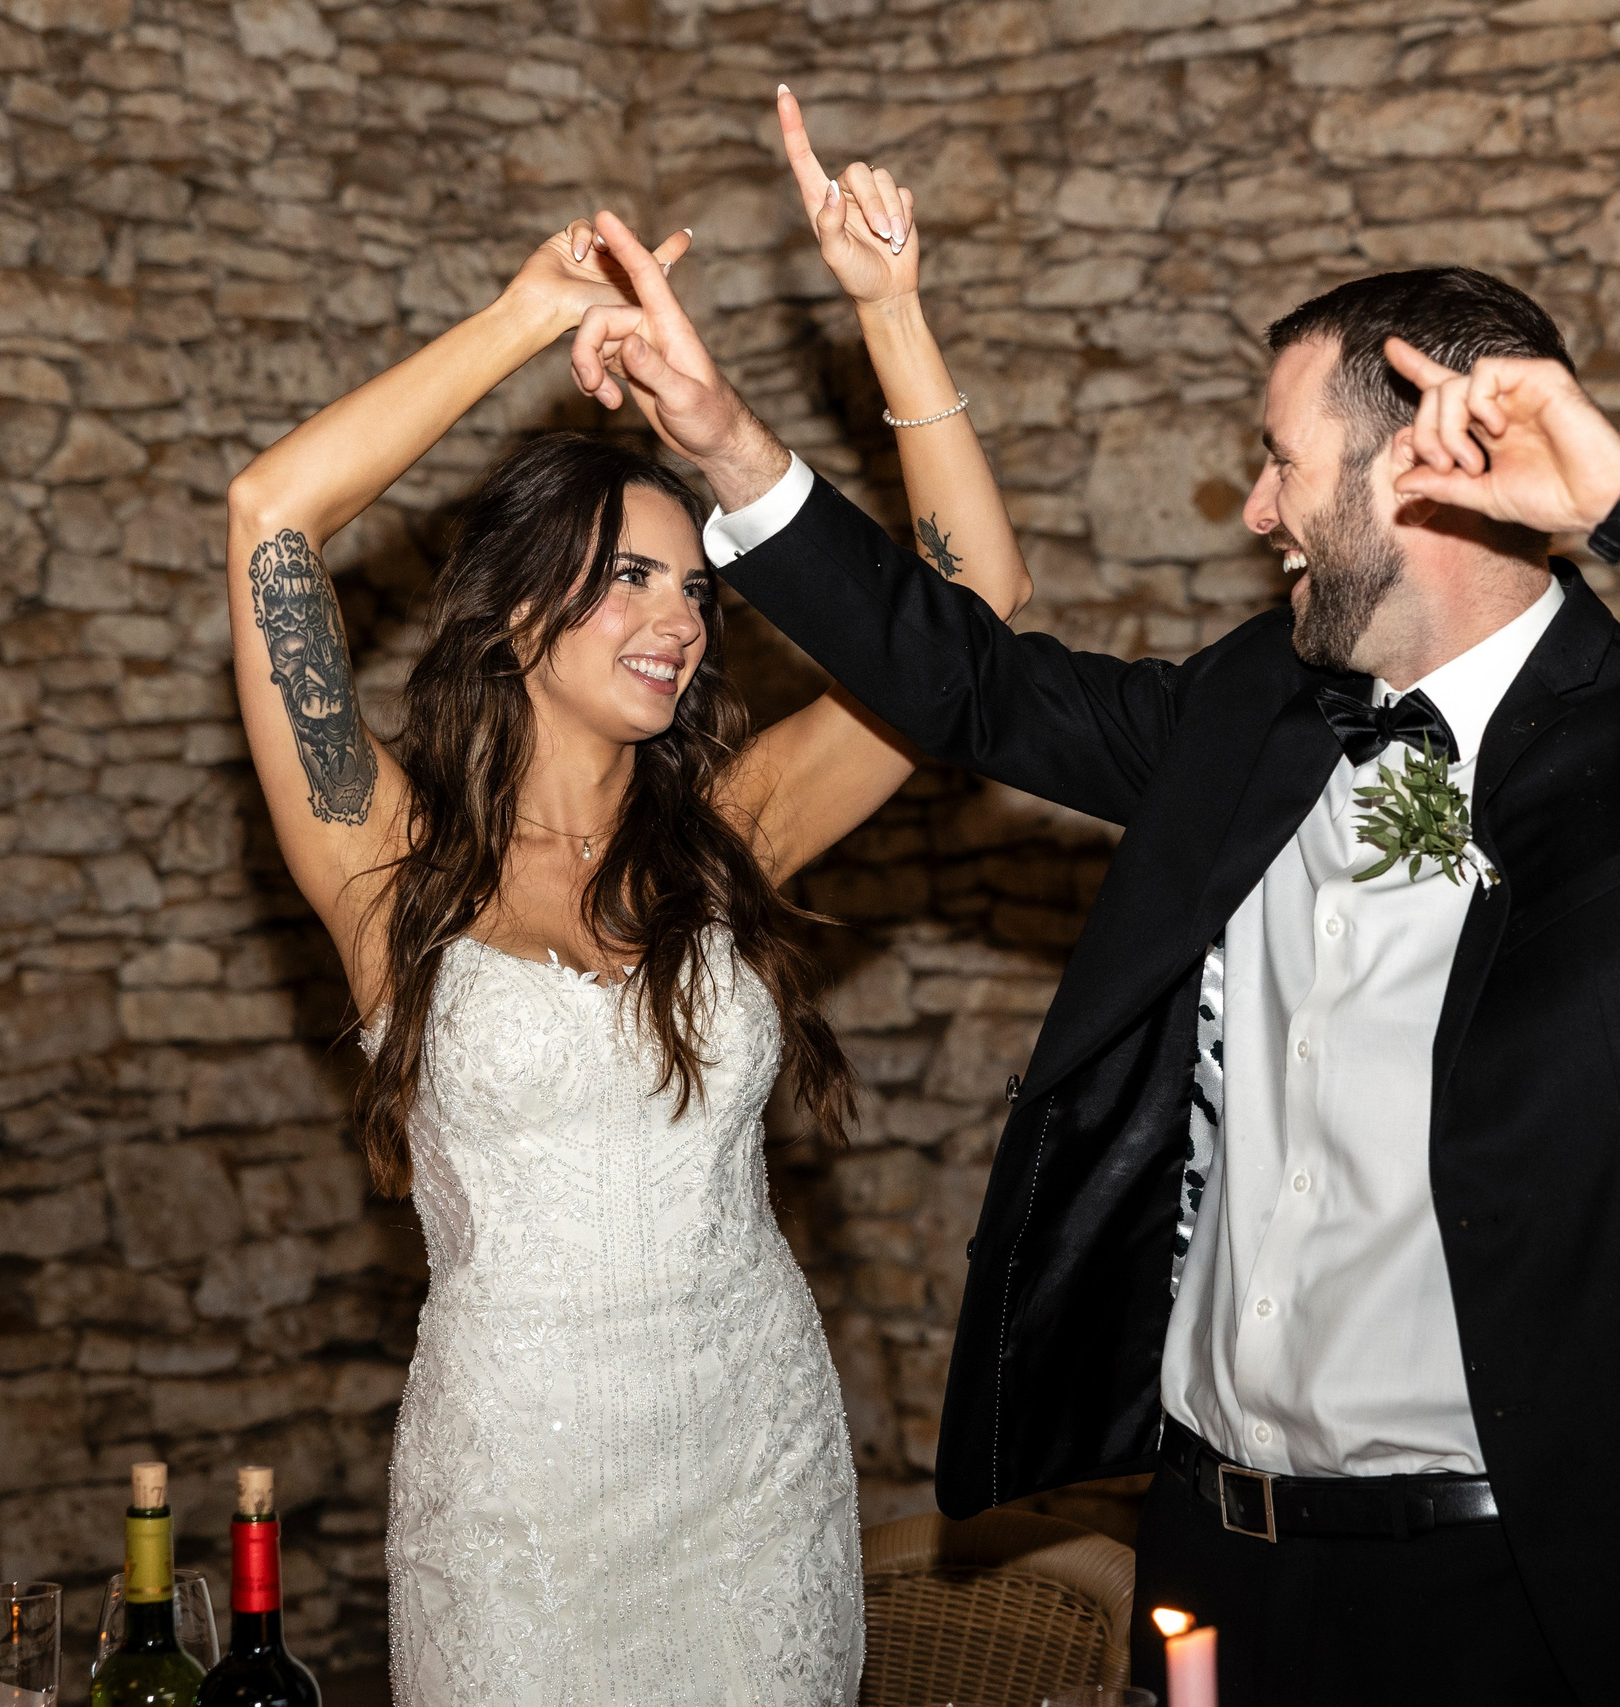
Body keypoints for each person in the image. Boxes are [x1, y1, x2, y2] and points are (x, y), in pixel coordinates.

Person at [572, 197, 1620, 1702]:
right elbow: (974, 688)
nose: (1255, 511)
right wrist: (726, 441)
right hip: (1214, 1562)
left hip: (1531, 1592)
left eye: (1282, 464)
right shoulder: (1246, 709)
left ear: (1425, 476)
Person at [223, 158, 1030, 1703]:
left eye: (698, 588)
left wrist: (893, 312)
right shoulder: (393, 871)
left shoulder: (730, 833)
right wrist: (523, 322)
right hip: (517, 1505)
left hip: (752, 1478)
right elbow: (271, 518)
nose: (680, 617)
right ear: (522, 615)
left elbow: (972, 613)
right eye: (630, 582)